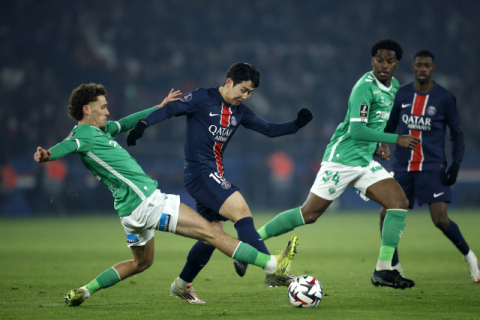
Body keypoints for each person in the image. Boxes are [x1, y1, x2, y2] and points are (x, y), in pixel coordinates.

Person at [33, 83, 299, 307]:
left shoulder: (101, 130)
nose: (107, 110)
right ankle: (272, 265)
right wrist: (48, 154)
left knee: (141, 263)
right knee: (214, 233)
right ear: (86, 109)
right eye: (102, 107)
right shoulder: (83, 135)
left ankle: (85, 290)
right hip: (147, 202)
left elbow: (125, 123)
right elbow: (68, 146)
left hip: (128, 212)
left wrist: (159, 107)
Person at [127, 62, 312, 303]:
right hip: (200, 173)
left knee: (212, 234)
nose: (245, 96)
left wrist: (295, 125)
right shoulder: (203, 97)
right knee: (242, 211)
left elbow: (268, 129)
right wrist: (143, 124)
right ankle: (274, 269)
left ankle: (182, 285)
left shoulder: (241, 111)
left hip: (214, 173)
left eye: (250, 93)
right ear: (228, 82)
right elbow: (170, 110)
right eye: (243, 90)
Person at [255, 39, 420, 289]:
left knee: (398, 202)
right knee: (308, 214)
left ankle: (384, 270)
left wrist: (380, 144)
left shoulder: (394, 85)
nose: (384, 65)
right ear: (372, 60)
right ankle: (251, 241)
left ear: (397, 63)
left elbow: (377, 122)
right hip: (341, 159)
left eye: (390, 61)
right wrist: (395, 139)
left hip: (364, 161)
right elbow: (356, 130)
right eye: (380, 60)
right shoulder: (363, 88)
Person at [378, 50, 479, 283]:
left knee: (440, 219)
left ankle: (469, 256)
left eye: (427, 66)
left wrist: (456, 164)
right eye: (419, 65)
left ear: (433, 69)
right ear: (413, 68)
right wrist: (382, 144)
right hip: (403, 166)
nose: (422, 69)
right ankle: (393, 268)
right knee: (386, 215)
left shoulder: (444, 98)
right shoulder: (402, 94)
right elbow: (390, 125)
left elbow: (457, 134)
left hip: (432, 165)